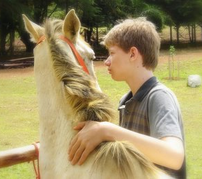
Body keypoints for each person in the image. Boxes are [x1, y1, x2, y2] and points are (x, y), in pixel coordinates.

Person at [68, 17, 186, 179]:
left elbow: (174, 156)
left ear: (132, 54)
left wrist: (106, 130)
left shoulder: (159, 97)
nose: (107, 62)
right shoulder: (125, 101)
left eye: (112, 53)